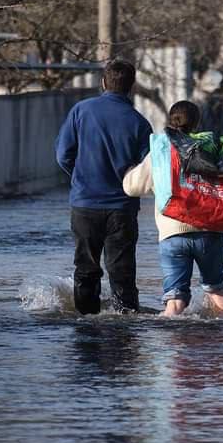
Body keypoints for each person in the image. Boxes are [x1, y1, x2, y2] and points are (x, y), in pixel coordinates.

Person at [55, 59, 152, 315]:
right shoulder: (140, 123)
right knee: (122, 272)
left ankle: (86, 325)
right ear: (131, 87)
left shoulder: (81, 110)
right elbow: (148, 169)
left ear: (103, 83)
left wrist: (79, 178)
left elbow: (63, 154)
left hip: (84, 203)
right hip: (122, 208)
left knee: (86, 269)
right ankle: (126, 326)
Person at [123, 100, 223, 317]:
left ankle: (170, 349)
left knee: (175, 301)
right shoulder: (210, 148)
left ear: (170, 121)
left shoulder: (161, 150)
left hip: (172, 234)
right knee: (216, 289)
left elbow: (131, 187)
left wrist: (130, 170)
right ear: (196, 123)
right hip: (209, 233)